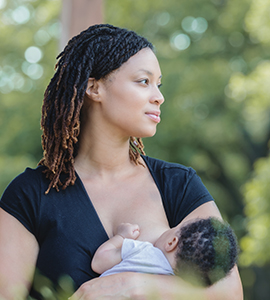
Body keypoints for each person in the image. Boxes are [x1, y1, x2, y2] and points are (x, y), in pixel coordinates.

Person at [0, 24, 243, 300]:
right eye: (143, 81)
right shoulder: (29, 196)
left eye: (158, 84)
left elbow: (230, 291)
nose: (159, 96)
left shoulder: (178, 183)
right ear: (94, 88)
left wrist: (134, 286)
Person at [92, 218, 238, 287]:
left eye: (175, 226)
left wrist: (122, 236)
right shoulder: (175, 289)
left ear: (171, 243)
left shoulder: (143, 252)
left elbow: (99, 262)